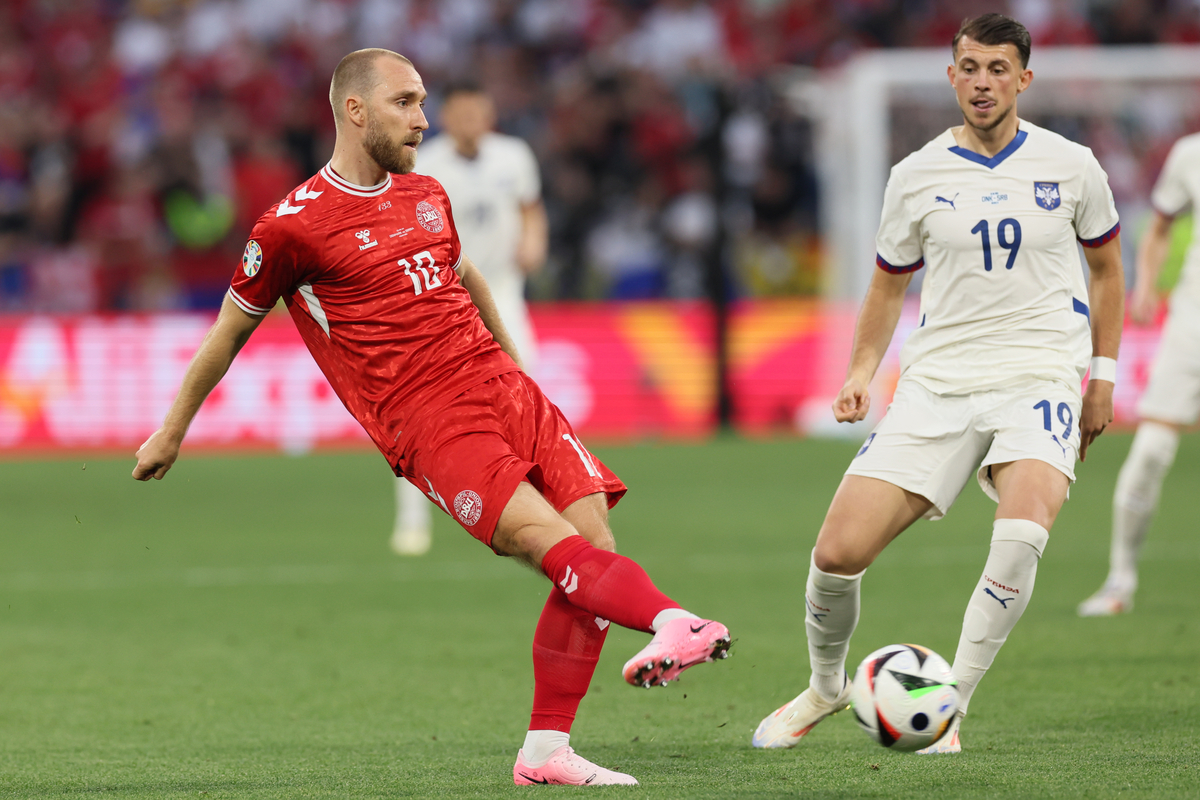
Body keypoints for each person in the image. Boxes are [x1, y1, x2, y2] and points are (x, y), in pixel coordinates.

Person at [132, 48, 731, 787]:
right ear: (355, 110)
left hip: (503, 386)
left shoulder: (426, 194)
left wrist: (517, 369)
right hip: (431, 420)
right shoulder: (290, 227)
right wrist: (172, 429)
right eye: (406, 103)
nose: (423, 118)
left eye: (423, 102)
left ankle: (545, 751)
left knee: (594, 542)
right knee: (551, 545)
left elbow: (467, 274)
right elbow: (227, 333)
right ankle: (674, 619)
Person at [751, 14, 1123, 755]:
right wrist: (861, 371)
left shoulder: (1072, 164)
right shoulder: (916, 174)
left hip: (1040, 372)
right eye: (969, 68)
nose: (982, 82)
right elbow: (889, 287)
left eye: (996, 69)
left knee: (1022, 532)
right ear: (951, 76)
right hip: (939, 381)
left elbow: (1109, 272)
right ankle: (826, 686)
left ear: (1023, 79)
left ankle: (947, 705)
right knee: (835, 555)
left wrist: (1101, 376)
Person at [390, 79, 549, 557]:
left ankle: (537, 510)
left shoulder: (514, 156)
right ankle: (412, 521)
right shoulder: (426, 163)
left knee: (527, 392)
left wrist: (534, 240)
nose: (471, 123)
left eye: (479, 113)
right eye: (461, 114)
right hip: (443, 297)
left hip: (503, 289)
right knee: (419, 411)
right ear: (447, 117)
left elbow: (530, 209)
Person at [1078, 133, 1200, 616]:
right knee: (1151, 450)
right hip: (1193, 321)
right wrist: (1147, 285)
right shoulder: (1190, 154)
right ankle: (1119, 582)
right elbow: (1160, 226)